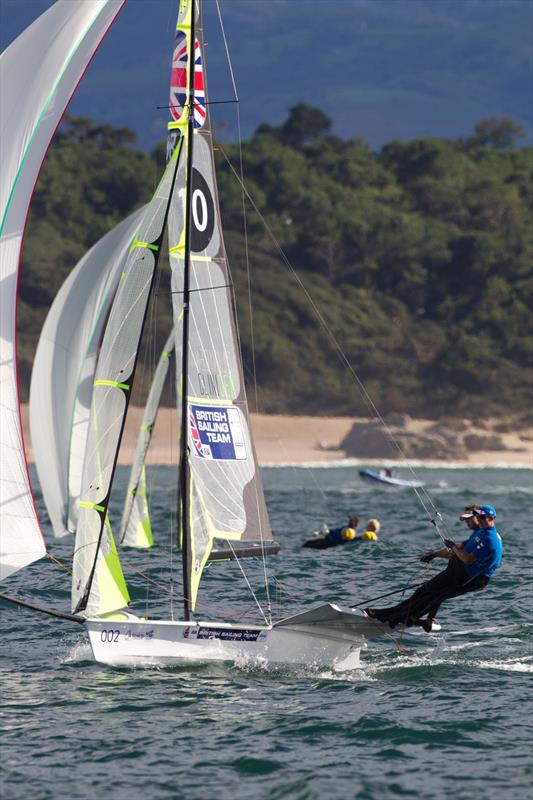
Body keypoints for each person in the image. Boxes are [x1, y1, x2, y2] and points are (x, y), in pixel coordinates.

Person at [365, 504, 502, 632]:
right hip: (460, 570)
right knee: (425, 590)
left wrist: (452, 546)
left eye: (482, 517)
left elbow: (467, 559)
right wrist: (433, 554)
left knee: (435, 596)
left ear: (491, 518)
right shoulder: (480, 533)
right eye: (478, 517)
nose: (480, 520)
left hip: (472, 577)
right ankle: (392, 614)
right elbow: (459, 549)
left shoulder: (489, 538)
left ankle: (402, 617)